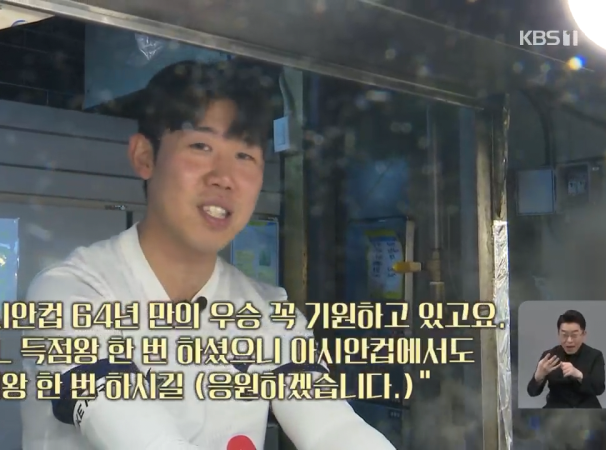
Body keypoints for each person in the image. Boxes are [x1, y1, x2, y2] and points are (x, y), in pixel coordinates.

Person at [20, 60, 396, 450]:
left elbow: (333, 429)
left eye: (245, 155)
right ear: (144, 156)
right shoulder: (70, 293)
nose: (224, 177)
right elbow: (137, 432)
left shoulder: (268, 313)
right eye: (201, 146)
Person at [526, 309, 606, 409]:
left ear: (583, 335)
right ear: (558, 334)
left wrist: (579, 375)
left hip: (586, 410)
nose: (569, 340)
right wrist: (538, 376)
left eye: (574, 335)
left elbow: (599, 389)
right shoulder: (549, 356)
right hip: (556, 409)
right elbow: (532, 392)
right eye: (564, 335)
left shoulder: (595, 355)